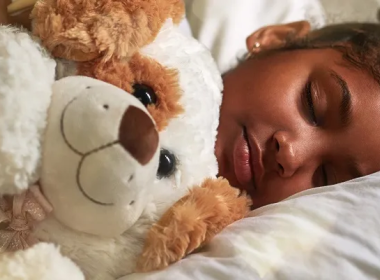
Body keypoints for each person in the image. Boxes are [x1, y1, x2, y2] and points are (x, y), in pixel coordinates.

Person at [3, 3, 380, 210]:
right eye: (313, 104)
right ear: (275, 38)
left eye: (326, 178)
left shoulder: (202, 234)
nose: (291, 154)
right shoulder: (141, 34)